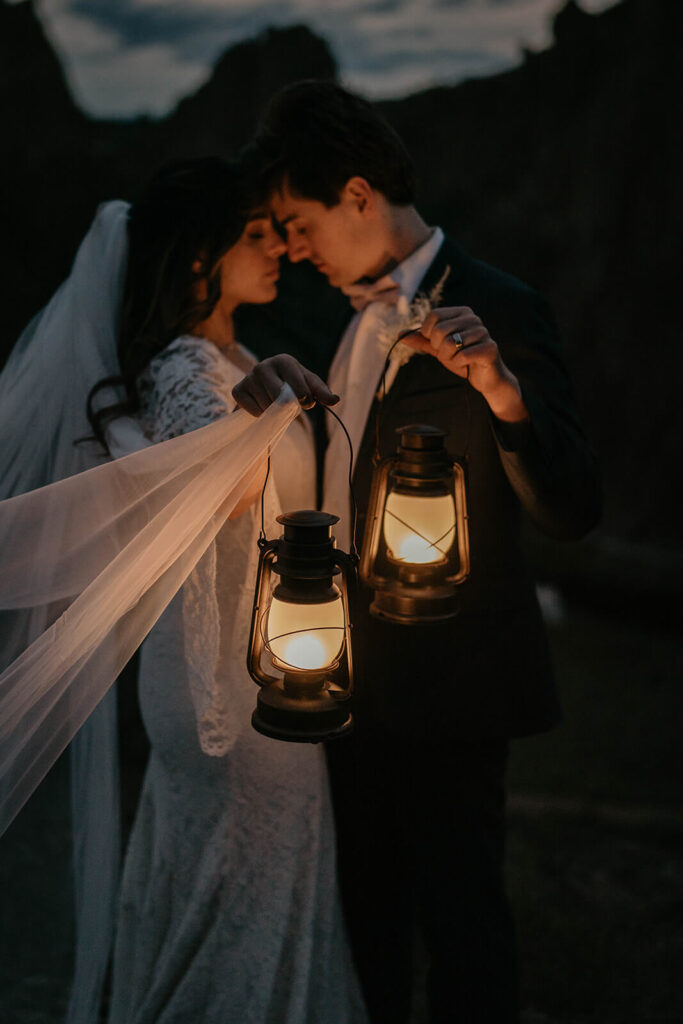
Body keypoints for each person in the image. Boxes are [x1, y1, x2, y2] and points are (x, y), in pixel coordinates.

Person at [233, 81, 602, 1024]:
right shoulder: (351, 322)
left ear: (358, 195)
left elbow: (569, 505)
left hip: (455, 690)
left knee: (465, 934)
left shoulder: (502, 306)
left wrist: (502, 394)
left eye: (299, 221)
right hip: (348, 691)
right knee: (366, 937)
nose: (293, 248)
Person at [0, 157, 366, 1024]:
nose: (278, 245)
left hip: (243, 671)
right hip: (228, 695)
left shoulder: (225, 357)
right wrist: (261, 406)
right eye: (252, 235)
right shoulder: (183, 369)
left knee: (229, 903)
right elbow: (213, 491)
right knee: (238, 913)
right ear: (195, 260)